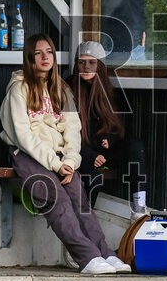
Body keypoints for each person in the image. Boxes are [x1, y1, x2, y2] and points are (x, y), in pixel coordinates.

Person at [0, 33, 132, 275]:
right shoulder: (18, 90)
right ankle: (87, 258)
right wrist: (55, 164)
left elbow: (73, 129)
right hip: (28, 155)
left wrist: (70, 161)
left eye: (49, 52)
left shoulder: (61, 89)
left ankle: (104, 253)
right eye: (38, 53)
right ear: (29, 58)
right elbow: (23, 136)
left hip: (60, 157)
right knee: (56, 196)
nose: (45, 57)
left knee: (79, 200)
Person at [64, 40, 149, 220]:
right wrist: (89, 155)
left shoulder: (108, 90)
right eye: (81, 62)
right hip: (77, 153)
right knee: (93, 179)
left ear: (100, 66)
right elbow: (63, 134)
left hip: (102, 153)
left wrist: (109, 138)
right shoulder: (66, 89)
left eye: (92, 62)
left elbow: (116, 127)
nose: (86, 67)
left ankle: (139, 208)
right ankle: (85, 223)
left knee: (135, 146)